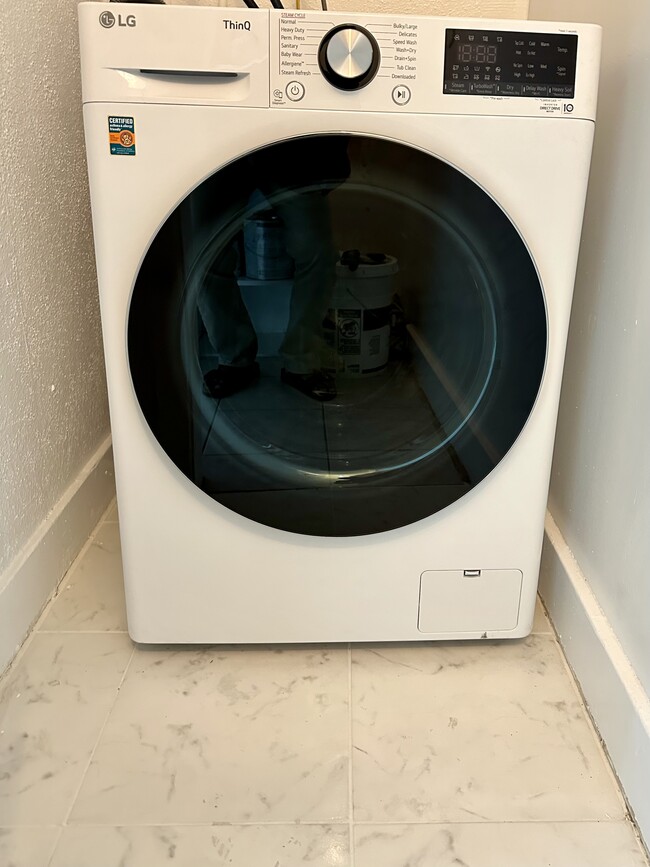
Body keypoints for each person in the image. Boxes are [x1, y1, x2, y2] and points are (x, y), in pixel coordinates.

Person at [198, 137, 350, 402]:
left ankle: (300, 361)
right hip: (219, 152)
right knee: (204, 255)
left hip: (291, 153)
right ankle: (236, 360)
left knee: (318, 253)